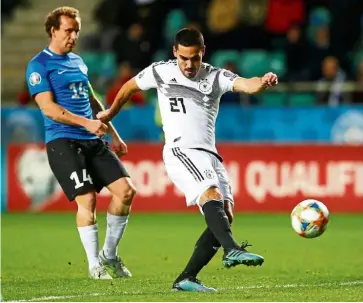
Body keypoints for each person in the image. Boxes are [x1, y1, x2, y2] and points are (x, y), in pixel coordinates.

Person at [97, 28, 278, 291]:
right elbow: (129, 86)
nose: (189, 64)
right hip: (181, 150)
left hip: (209, 154)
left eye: (194, 58)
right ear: (175, 52)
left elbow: (246, 84)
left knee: (225, 214)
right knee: (211, 194)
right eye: (183, 58)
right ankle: (231, 250)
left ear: (202, 53)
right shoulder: (160, 71)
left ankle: (186, 278)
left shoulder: (215, 76)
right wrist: (111, 113)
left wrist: (263, 81)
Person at [25, 6, 136, 280]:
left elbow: (92, 100)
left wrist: (114, 134)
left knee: (126, 191)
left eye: (76, 31)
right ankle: (93, 265)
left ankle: (109, 256)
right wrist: (87, 123)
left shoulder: (78, 62)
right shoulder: (38, 65)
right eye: (68, 30)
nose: (73, 36)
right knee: (87, 199)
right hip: (63, 141)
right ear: (53, 31)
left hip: (93, 139)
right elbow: (49, 109)